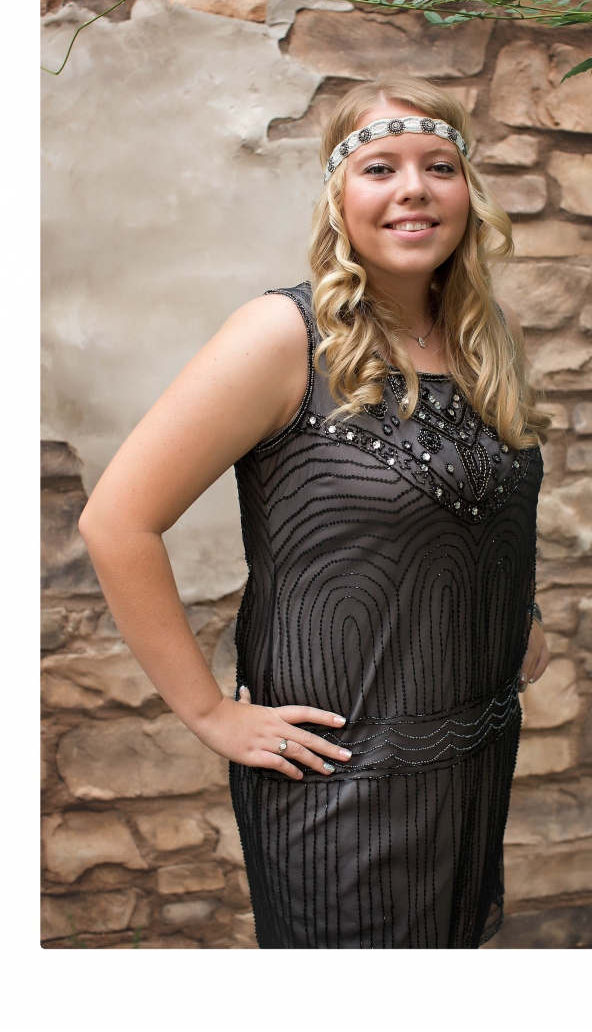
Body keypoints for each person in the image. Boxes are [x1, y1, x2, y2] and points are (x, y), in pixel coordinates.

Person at [79, 73, 552, 949]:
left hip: (472, 759)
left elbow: (482, 505)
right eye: (379, 167)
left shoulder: (486, 342)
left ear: (468, 193)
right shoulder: (283, 338)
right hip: (345, 787)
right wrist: (212, 713)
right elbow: (116, 522)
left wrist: (521, 605)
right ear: (338, 197)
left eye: (438, 165)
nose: (413, 188)